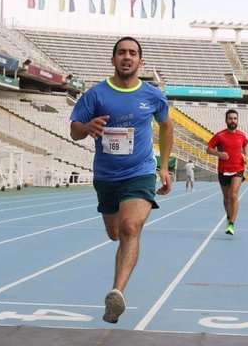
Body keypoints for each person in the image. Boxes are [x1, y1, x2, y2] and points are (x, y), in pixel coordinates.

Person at [70, 36, 173, 324]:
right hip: (106, 176)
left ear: (140, 61)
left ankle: (117, 292)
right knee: (114, 232)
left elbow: (166, 126)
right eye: (121, 52)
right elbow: (74, 131)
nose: (127, 57)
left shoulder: (152, 95)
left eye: (132, 53)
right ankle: (118, 284)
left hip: (140, 172)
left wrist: (164, 166)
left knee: (130, 228)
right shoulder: (96, 95)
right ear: (113, 59)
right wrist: (86, 127)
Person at [206, 109, 248, 235]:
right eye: (230, 118)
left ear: (237, 120)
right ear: (226, 120)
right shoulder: (220, 135)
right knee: (226, 198)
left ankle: (231, 224)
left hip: (238, 169)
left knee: (234, 195)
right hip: (223, 170)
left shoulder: (242, 135)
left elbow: (245, 144)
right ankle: (229, 217)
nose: (233, 121)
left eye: (235, 118)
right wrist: (219, 153)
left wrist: (246, 156)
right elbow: (208, 149)